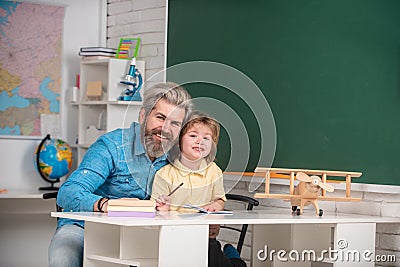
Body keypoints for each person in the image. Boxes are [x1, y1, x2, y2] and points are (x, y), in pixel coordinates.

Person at [48, 82, 192, 267]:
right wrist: (106, 205)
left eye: (174, 123)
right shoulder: (113, 146)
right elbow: (68, 192)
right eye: (160, 117)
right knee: (63, 257)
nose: (165, 128)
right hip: (85, 227)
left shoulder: (176, 156)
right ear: (143, 115)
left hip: (139, 233)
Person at [151, 112, 246, 267]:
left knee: (218, 257)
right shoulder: (164, 174)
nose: (200, 141)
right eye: (193, 135)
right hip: (175, 238)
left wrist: (216, 207)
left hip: (206, 236)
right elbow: (154, 213)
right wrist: (162, 208)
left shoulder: (214, 171)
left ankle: (233, 256)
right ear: (179, 140)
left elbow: (220, 200)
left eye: (206, 138)